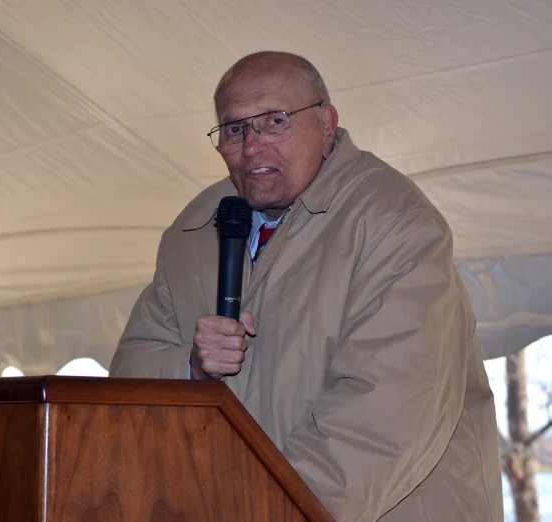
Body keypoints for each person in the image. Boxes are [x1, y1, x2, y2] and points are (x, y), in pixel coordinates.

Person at [109, 51, 502, 521]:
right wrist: (191, 369)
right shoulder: (192, 231)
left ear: (327, 123)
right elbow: (126, 375)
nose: (252, 147)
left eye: (275, 121)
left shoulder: (394, 223)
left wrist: (268, 509)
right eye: (234, 129)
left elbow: (385, 418)